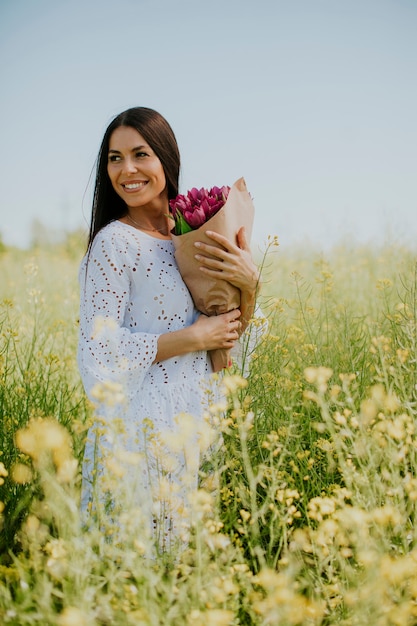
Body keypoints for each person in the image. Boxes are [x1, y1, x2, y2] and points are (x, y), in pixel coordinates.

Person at [77, 106, 260, 553]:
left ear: (166, 160)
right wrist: (193, 339)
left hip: (193, 421)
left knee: (181, 577)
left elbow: (233, 340)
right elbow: (98, 353)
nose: (128, 170)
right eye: (115, 158)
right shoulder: (114, 242)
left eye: (140, 154)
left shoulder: (195, 232)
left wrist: (250, 283)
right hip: (137, 431)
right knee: (136, 571)